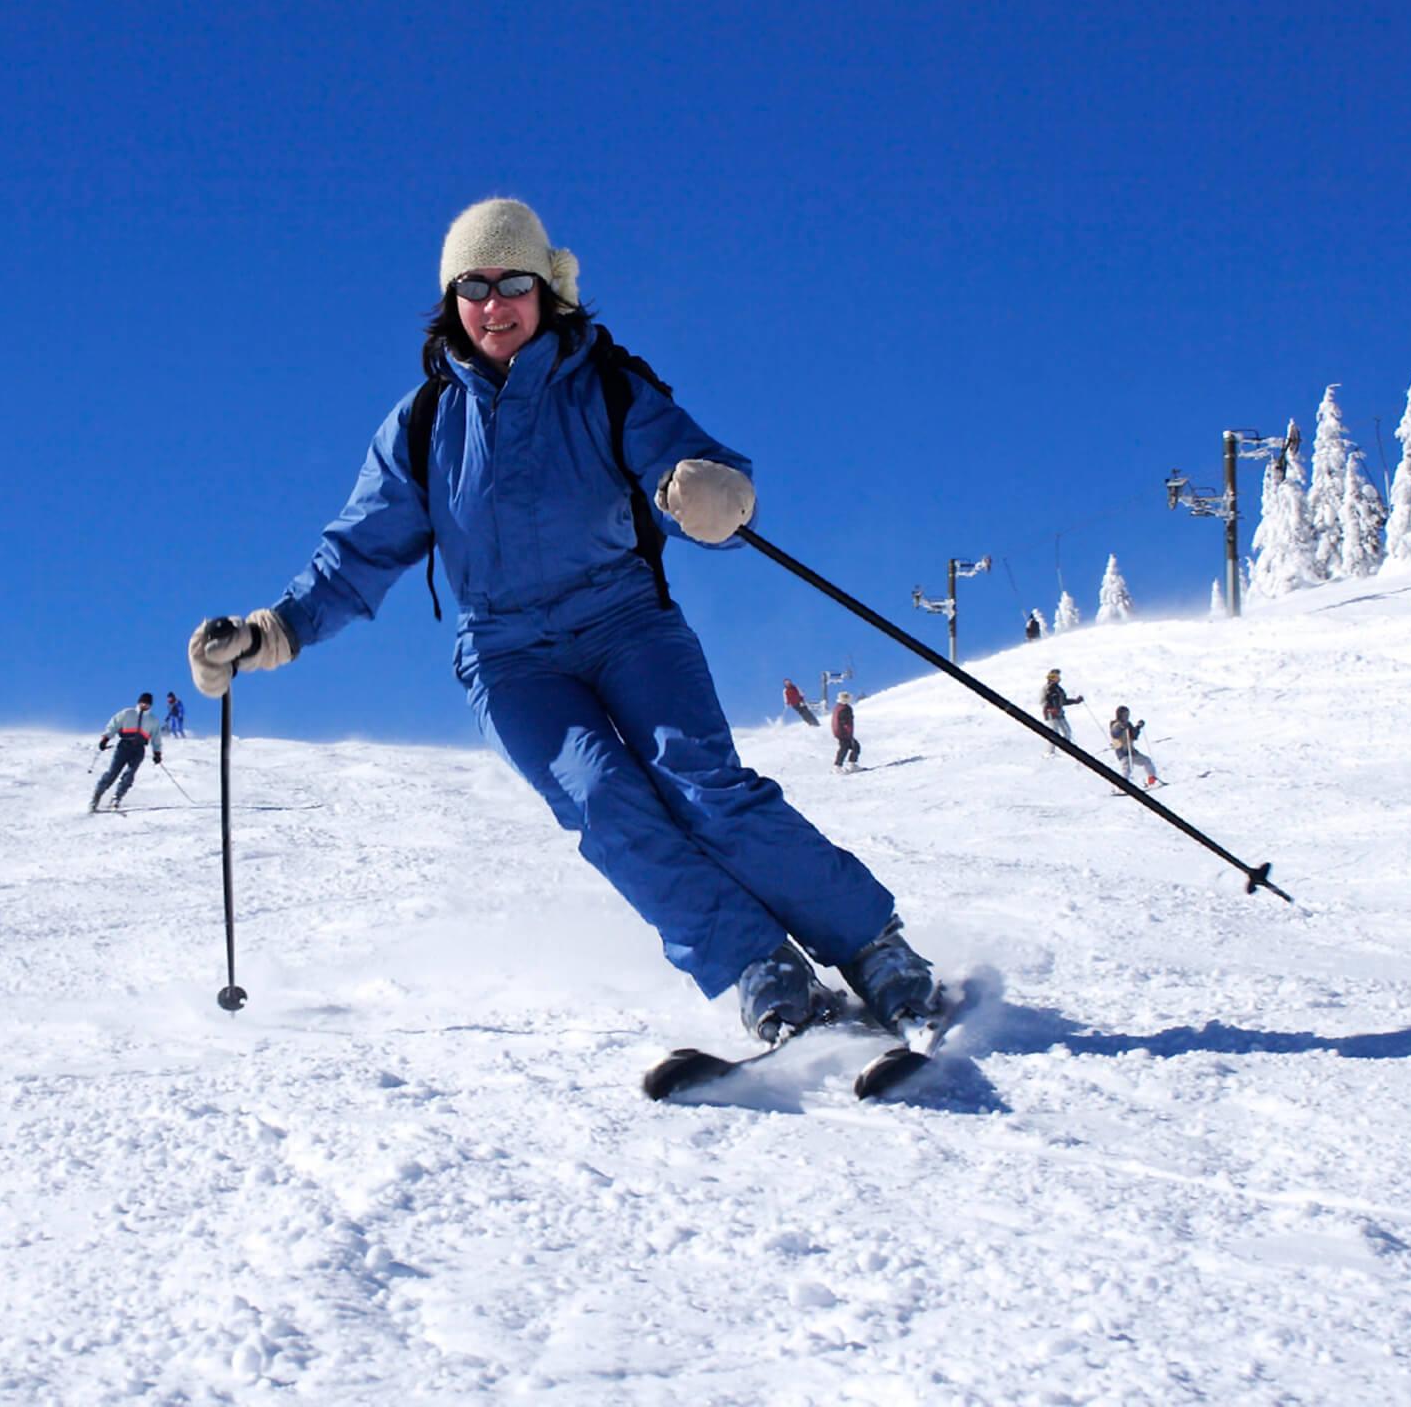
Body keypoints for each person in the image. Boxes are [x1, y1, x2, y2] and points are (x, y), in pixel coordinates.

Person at [186, 197, 936, 1044]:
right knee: (603, 800)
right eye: (475, 287)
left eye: (513, 283)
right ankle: (759, 963)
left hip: (625, 620)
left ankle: (873, 946)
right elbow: (357, 555)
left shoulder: (608, 386)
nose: (495, 305)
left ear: (547, 291)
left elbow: (695, 476)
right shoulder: (425, 424)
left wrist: (708, 492)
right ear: (452, 303)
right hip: (509, 657)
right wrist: (268, 633)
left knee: (704, 787)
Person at [92, 691, 163, 812]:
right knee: (112, 773)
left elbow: (156, 737)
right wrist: (106, 738)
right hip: (124, 746)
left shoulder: (153, 720)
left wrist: (157, 753)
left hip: (139, 749)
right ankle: (97, 796)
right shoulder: (128, 713)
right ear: (138, 702)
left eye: (147, 704)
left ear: (150, 705)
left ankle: (117, 797)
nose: (144, 706)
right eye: (142, 703)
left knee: (130, 774)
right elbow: (113, 724)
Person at [1107, 705, 1159, 787]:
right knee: (1127, 769)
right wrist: (1121, 728)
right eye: (1125, 715)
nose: (1127, 716)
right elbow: (1115, 734)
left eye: (1128, 714)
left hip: (1131, 751)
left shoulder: (1128, 724)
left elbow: (1134, 735)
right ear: (1120, 715)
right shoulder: (1116, 725)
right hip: (1122, 752)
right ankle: (1122, 787)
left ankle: (1152, 780)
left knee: (1147, 761)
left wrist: (1138, 727)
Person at [1041, 669, 1082, 754]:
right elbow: (1043, 701)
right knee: (1054, 733)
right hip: (1051, 714)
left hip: (1060, 713)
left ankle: (1066, 749)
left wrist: (1075, 701)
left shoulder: (1059, 689)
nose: (1058, 678)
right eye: (1056, 676)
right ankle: (1050, 752)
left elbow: (1063, 701)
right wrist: (1050, 709)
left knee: (1067, 731)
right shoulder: (1047, 688)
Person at [830, 691, 862, 772]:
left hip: (840, 732)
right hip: (844, 733)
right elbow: (845, 722)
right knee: (846, 748)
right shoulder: (845, 708)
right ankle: (838, 766)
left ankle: (851, 764)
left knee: (853, 747)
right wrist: (848, 733)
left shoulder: (839, 707)